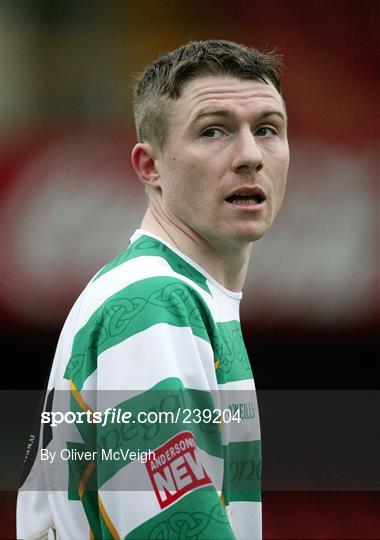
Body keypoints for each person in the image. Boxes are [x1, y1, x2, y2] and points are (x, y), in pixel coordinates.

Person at [17, 39, 289, 540]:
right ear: (150, 166)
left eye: (268, 129)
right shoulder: (154, 304)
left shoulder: (178, 296)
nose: (251, 154)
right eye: (214, 131)